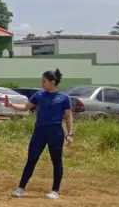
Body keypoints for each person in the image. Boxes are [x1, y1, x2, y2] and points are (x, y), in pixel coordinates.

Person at [7, 69, 74, 200]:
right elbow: (26, 107)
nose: (42, 83)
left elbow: (68, 116)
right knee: (32, 159)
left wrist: (70, 134)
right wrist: (11, 105)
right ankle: (21, 188)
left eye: (44, 81)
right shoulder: (39, 95)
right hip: (40, 132)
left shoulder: (64, 97)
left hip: (55, 132)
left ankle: (55, 191)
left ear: (52, 82)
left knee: (56, 160)